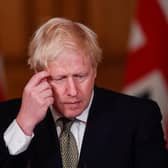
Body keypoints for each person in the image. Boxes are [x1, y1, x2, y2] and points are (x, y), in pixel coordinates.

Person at [0, 17, 167, 168]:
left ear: (94, 70)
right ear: (39, 76)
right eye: (60, 78)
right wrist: (23, 126)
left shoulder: (139, 116)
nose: (73, 91)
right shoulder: (6, 117)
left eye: (80, 76)